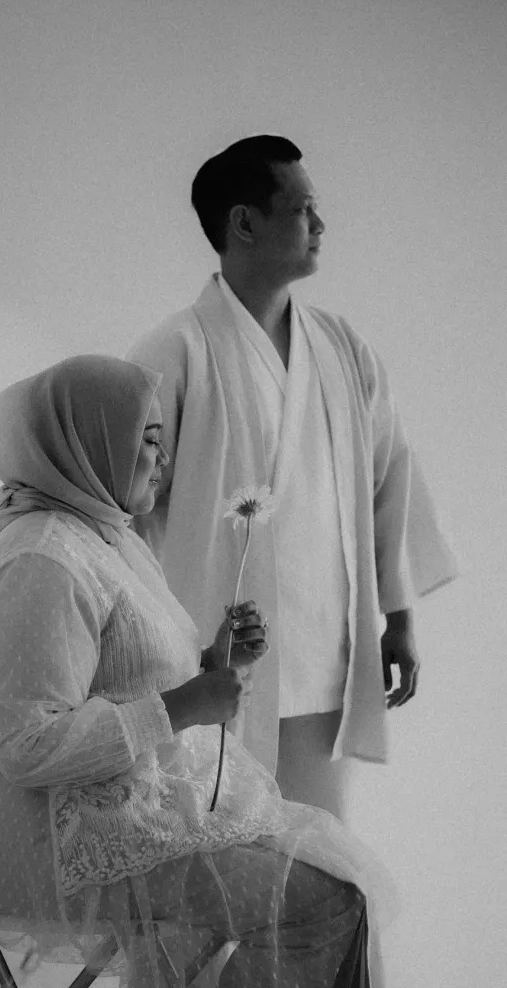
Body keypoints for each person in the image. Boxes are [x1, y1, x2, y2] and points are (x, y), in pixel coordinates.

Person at [0, 355, 405, 988]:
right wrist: (184, 706)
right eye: (145, 439)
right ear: (85, 445)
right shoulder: (40, 557)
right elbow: (27, 745)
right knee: (327, 902)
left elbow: (117, 680)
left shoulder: (100, 535)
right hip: (56, 838)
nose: (162, 456)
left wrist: (213, 665)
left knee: (331, 885)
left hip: (127, 815)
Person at [126, 135, 458, 820]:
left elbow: (390, 478)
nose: (320, 224)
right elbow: (128, 499)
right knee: (215, 844)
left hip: (327, 652)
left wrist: (398, 616)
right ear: (244, 223)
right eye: (303, 209)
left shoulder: (342, 347)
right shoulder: (176, 349)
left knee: (321, 853)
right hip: (214, 653)